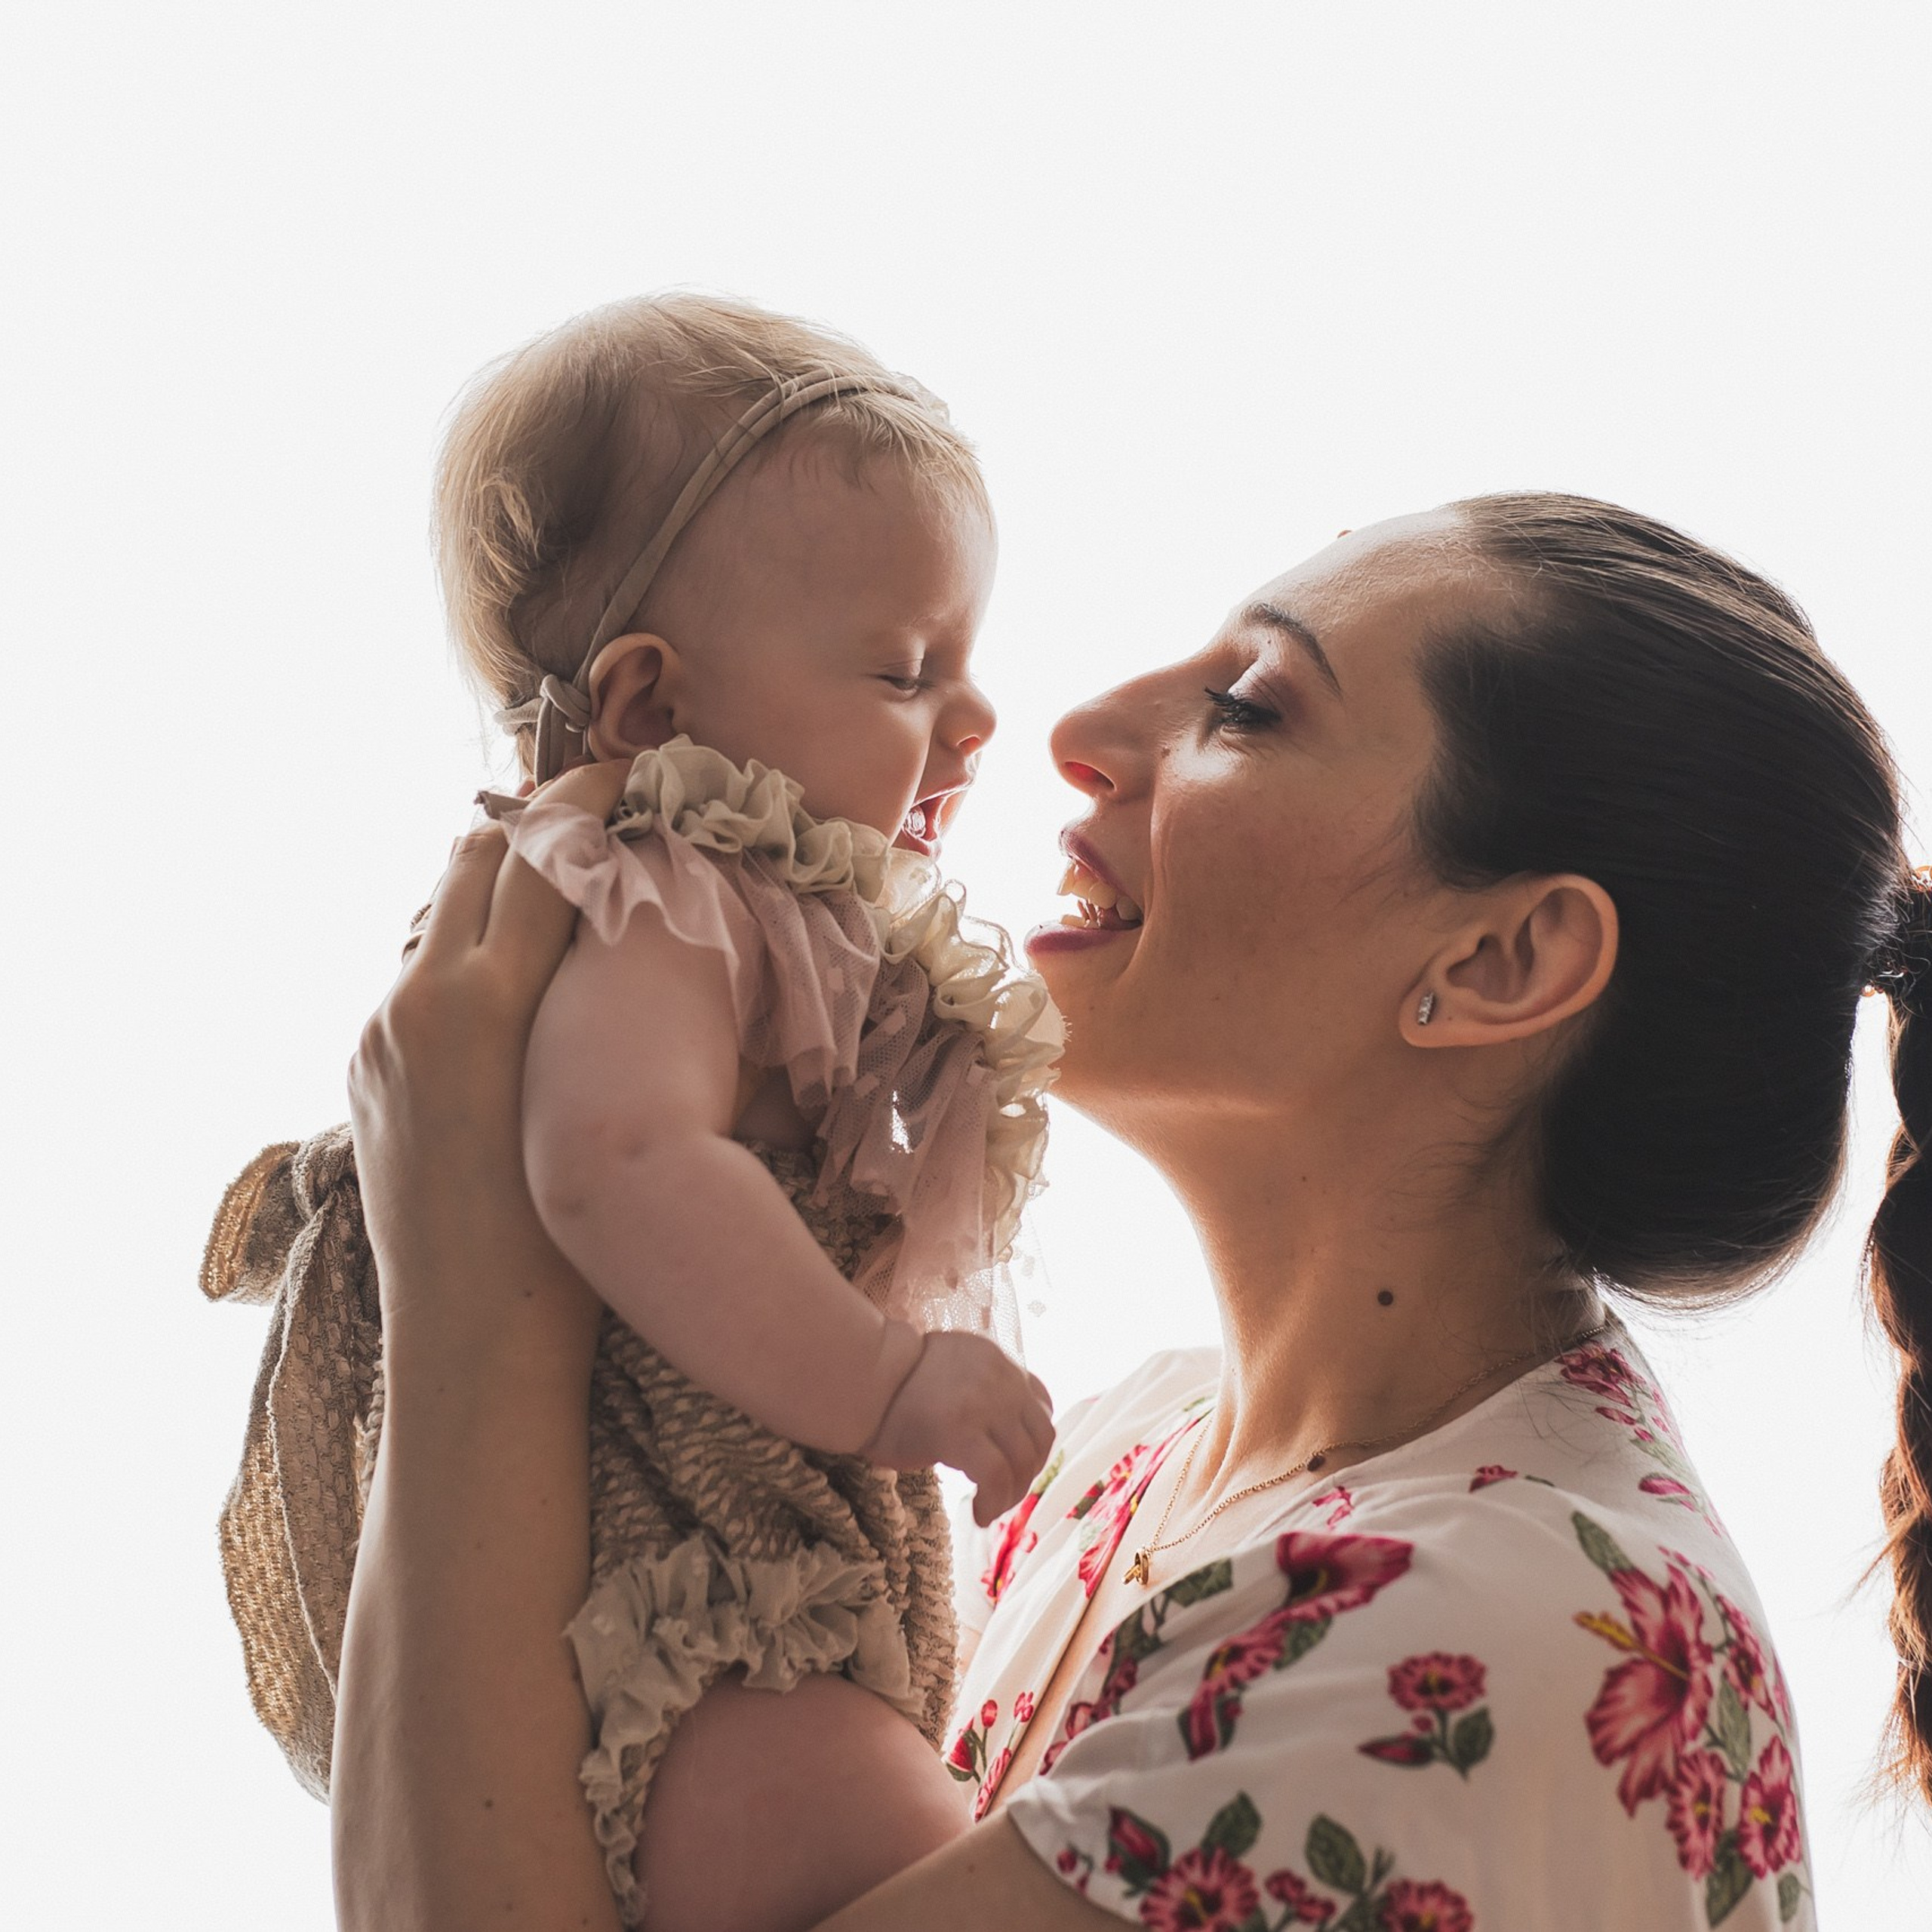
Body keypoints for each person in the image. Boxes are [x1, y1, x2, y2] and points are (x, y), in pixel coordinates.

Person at [334, 493, 1932, 1930]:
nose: (1081, 727)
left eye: (1247, 705)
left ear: (1495, 964)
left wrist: (472, 1276)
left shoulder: (1485, 1639)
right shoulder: (1125, 1459)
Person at [202, 294, 1060, 1930]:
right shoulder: (662, 881)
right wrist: (886, 1376)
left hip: (734, 1570)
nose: (971, 722)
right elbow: (615, 1158)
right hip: (681, 1590)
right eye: (903, 666)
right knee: (897, 1848)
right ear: (654, 706)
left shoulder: (725, 896)